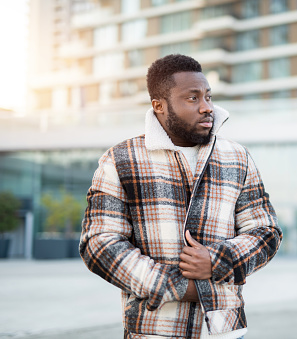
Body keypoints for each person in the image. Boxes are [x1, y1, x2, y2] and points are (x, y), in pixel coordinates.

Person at [79, 54, 282, 339]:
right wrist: (174, 285)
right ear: (159, 106)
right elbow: (99, 244)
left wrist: (217, 261)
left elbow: (266, 232)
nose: (206, 108)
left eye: (208, 97)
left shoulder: (236, 156)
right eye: (192, 98)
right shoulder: (121, 160)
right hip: (154, 330)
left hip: (226, 330)